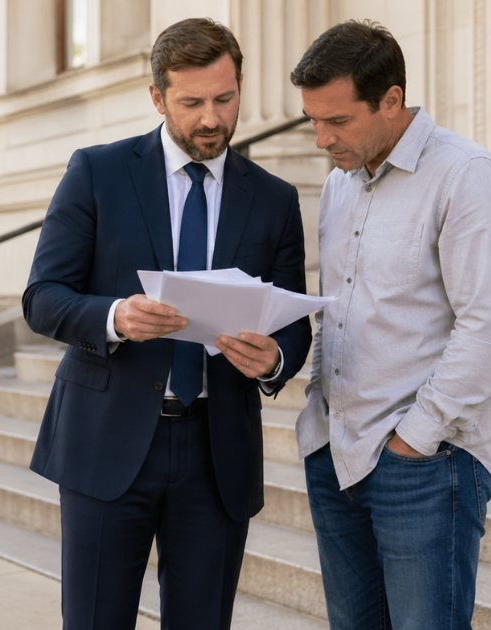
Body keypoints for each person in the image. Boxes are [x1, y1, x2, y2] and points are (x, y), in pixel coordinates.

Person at [22, 17, 313, 630]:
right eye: (192, 103)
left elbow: (293, 324)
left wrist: (276, 360)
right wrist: (114, 316)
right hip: (106, 442)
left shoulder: (274, 199)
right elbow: (42, 298)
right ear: (157, 98)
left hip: (218, 453)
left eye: (225, 99)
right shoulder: (97, 172)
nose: (212, 118)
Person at [291, 20, 491, 630]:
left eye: (337, 120)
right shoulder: (339, 185)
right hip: (335, 454)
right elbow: (338, 308)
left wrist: (413, 440)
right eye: (312, 120)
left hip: (425, 466)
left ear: (391, 100)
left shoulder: (466, 176)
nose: (321, 139)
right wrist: (317, 424)